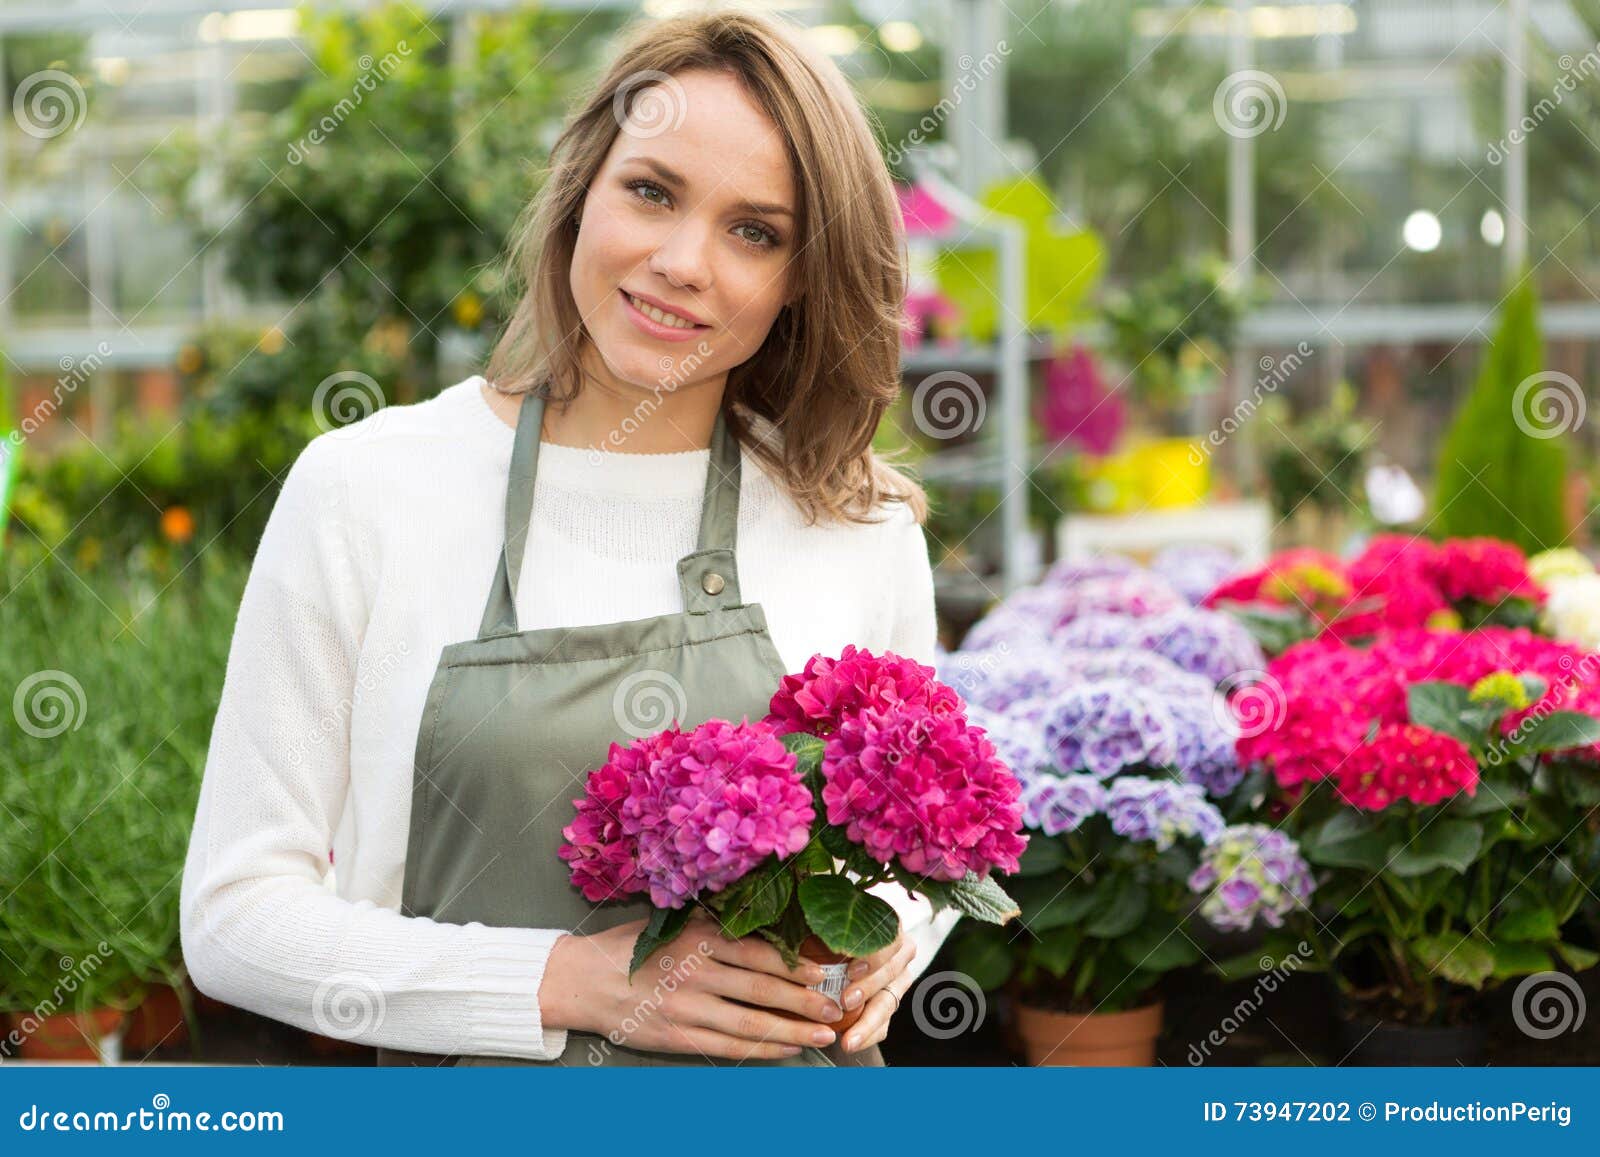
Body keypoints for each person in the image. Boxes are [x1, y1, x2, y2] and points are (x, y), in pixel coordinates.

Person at [179, 8, 960, 1067]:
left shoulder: (851, 522)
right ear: (581, 191)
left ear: (802, 278)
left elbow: (919, 855)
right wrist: (560, 979)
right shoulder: (368, 490)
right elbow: (234, 917)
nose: (683, 260)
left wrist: (888, 950)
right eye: (651, 191)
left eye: (755, 231)